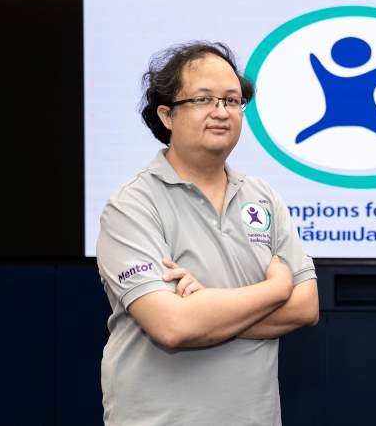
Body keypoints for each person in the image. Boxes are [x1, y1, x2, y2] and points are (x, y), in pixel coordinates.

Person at [96, 42, 319, 426]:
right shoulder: (132, 204)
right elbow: (172, 326)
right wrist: (275, 289)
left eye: (232, 101)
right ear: (167, 115)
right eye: (203, 99)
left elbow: (306, 307)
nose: (221, 111)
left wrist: (206, 310)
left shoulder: (262, 197)